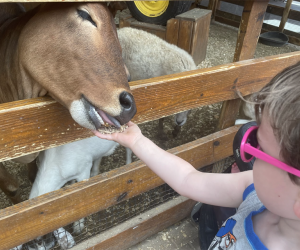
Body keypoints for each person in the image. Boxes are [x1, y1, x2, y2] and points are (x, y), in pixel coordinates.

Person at [93, 62, 300, 249]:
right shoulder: (254, 193)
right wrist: (138, 141)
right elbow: (187, 179)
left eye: (259, 150)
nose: (249, 156)